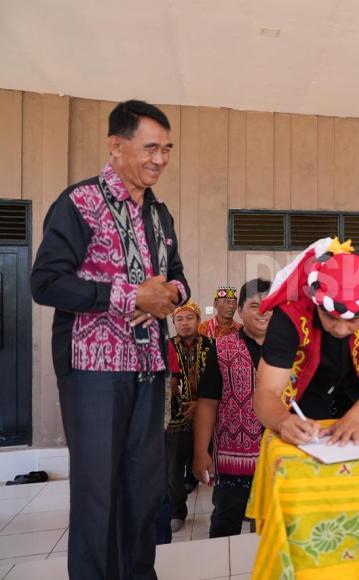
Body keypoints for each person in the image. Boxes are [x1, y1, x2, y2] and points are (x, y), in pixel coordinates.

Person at [30, 100, 188, 579]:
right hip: (92, 373)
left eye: (167, 149)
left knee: (144, 491)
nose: (160, 158)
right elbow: (46, 283)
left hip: (148, 368)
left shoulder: (159, 214)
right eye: (150, 147)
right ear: (116, 146)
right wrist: (129, 296)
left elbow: (179, 279)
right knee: (98, 494)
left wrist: (170, 295)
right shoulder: (78, 203)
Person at [253, 237, 359, 446]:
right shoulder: (290, 308)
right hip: (301, 407)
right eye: (330, 317)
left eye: (354, 320)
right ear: (315, 301)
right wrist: (282, 421)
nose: (340, 329)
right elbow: (266, 392)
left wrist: (358, 416)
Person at [193, 278, 272, 538]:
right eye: (254, 306)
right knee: (226, 522)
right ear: (240, 310)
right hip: (232, 458)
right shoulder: (222, 348)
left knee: (271, 525)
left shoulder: (291, 351)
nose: (263, 312)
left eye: (269, 306)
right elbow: (207, 402)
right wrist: (200, 452)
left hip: (279, 457)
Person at [164, 301, 213, 532]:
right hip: (176, 418)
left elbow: (219, 380)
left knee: (218, 462)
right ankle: (177, 510)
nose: (184, 323)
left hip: (210, 414)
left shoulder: (212, 346)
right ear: (173, 323)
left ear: (199, 320)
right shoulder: (166, 347)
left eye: (189, 318)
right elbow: (165, 383)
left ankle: (227, 506)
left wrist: (201, 404)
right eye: (179, 319)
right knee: (172, 467)